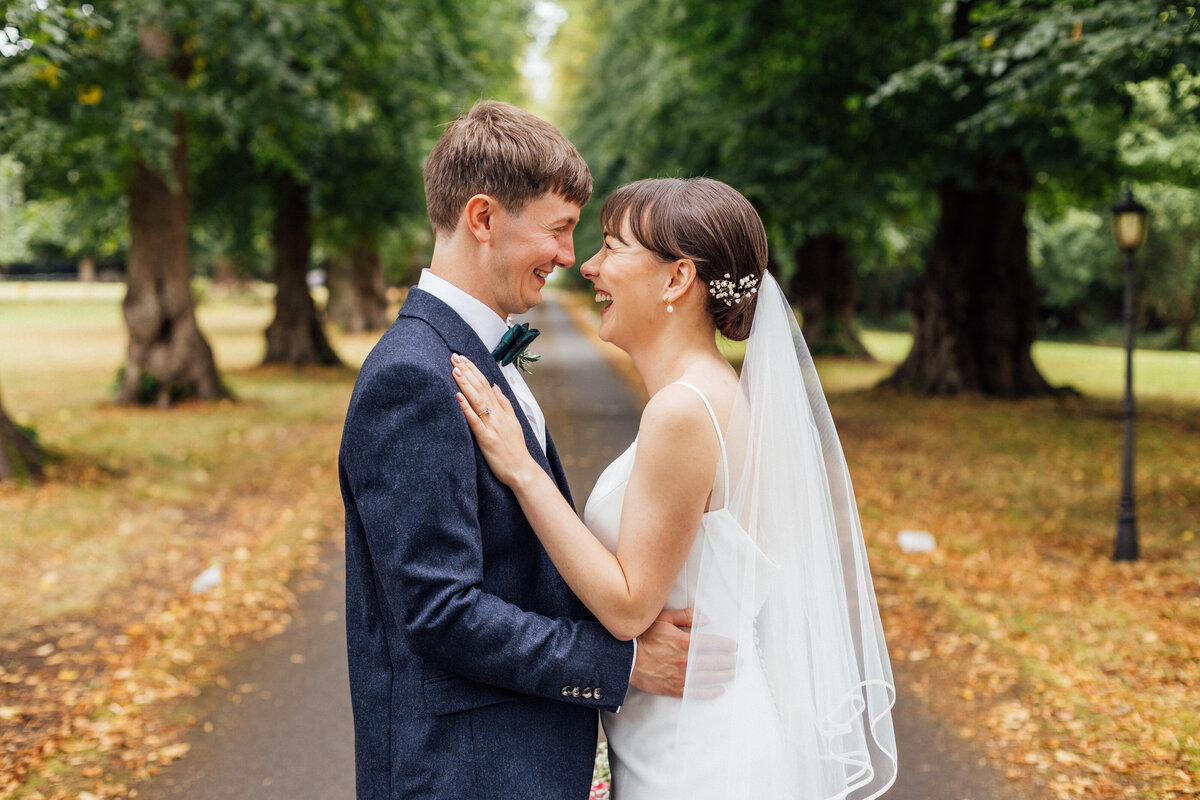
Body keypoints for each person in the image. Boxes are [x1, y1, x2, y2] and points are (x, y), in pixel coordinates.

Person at [451, 176, 899, 799]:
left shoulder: (685, 410)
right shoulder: (709, 396)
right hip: (686, 731)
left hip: (698, 759)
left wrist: (524, 470)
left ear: (677, 279)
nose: (589, 265)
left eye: (611, 246)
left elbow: (631, 604)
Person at [338, 102, 706, 800]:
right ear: (483, 218)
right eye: (559, 229)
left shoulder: (472, 353)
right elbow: (440, 611)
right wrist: (620, 665)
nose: (571, 257)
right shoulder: (413, 376)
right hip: (461, 775)